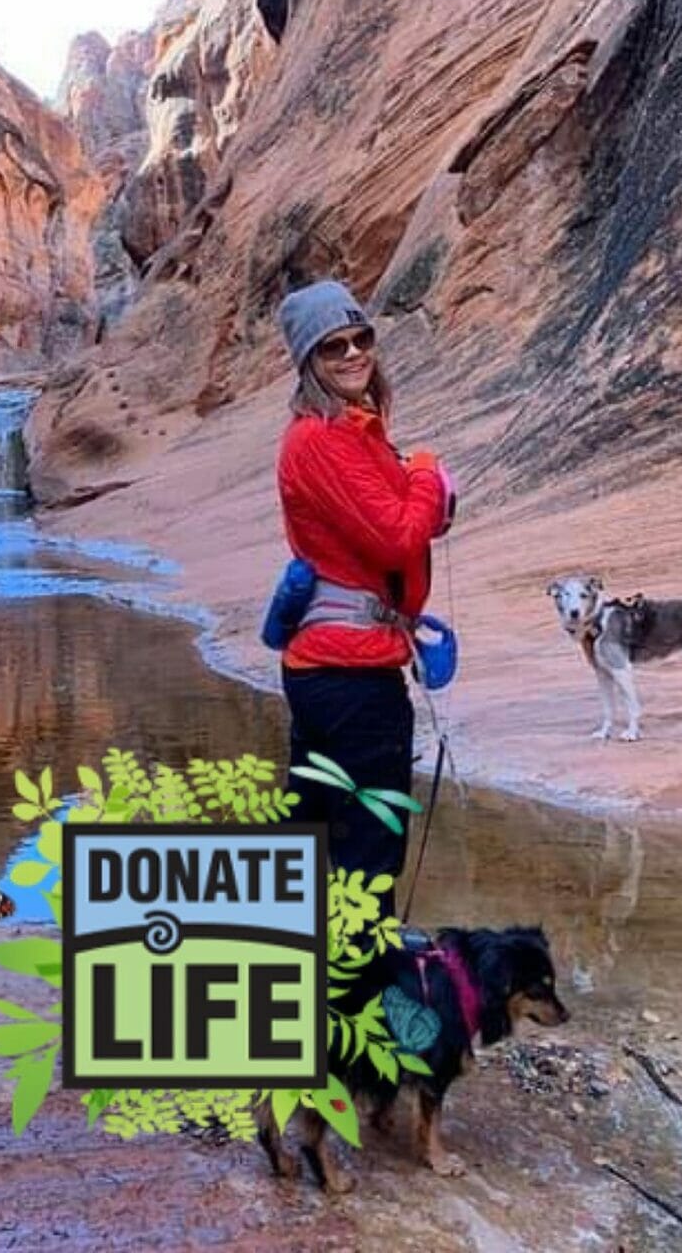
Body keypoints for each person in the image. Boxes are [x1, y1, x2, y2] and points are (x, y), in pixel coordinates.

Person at [274, 280, 453, 907]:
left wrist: (416, 492)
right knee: (369, 852)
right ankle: (354, 999)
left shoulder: (351, 431)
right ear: (308, 362)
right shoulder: (321, 439)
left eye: (361, 338)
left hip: (338, 668)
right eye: (332, 348)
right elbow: (397, 539)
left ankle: (294, 984)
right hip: (351, 678)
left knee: (313, 835)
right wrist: (428, 473)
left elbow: (384, 524)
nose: (353, 355)